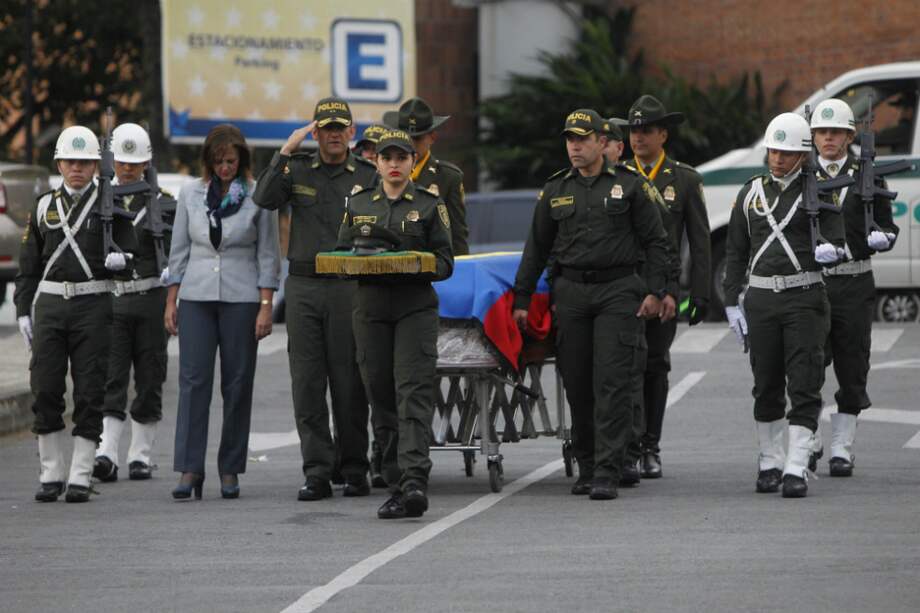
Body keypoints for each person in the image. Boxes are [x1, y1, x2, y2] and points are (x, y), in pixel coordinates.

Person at [512, 109, 671, 501]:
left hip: (618, 290)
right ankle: (585, 463)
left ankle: (608, 468)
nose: (575, 146)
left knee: (612, 382)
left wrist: (655, 290)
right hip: (572, 293)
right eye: (570, 140)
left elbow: (656, 242)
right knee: (578, 382)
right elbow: (537, 248)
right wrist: (522, 298)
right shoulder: (555, 189)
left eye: (583, 139)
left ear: (603, 142)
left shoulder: (629, 186)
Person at [253, 97, 377, 501]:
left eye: (341, 127)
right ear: (316, 133)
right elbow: (264, 198)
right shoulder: (297, 169)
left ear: (352, 132)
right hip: (305, 287)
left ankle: (355, 467)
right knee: (307, 384)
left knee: (349, 384)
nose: (335, 134)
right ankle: (318, 471)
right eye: (327, 128)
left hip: (348, 286)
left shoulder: (368, 175)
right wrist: (285, 150)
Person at [723, 112, 845, 498]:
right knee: (766, 383)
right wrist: (730, 301)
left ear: (803, 155)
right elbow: (735, 252)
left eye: (787, 153)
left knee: (805, 382)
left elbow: (839, 242)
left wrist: (831, 251)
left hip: (804, 296)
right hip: (760, 298)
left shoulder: (821, 193)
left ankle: (796, 465)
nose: (777, 159)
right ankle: (769, 461)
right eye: (774, 151)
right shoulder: (750, 193)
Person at [336, 128, 454, 519]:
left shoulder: (428, 203)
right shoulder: (357, 204)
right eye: (387, 158)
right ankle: (393, 477)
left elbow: (445, 261)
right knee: (381, 396)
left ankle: (413, 481)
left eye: (401, 158)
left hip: (414, 307)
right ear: (376, 161)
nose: (394, 165)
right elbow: (341, 255)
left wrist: (413, 262)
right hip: (370, 309)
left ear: (411, 161)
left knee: (413, 394)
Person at [14, 125, 135, 502]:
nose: (77, 169)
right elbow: (28, 267)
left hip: (93, 305)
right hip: (50, 305)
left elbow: (131, 260)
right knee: (45, 388)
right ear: (60, 165)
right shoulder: (43, 206)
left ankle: (81, 474)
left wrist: (121, 262)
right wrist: (22, 310)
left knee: (89, 390)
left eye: (84, 162)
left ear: (96, 165)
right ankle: (51, 473)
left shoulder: (112, 206)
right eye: (70, 162)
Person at [165, 124, 280, 500]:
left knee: (237, 382)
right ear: (208, 162)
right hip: (197, 295)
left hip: (242, 296)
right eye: (218, 162)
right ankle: (189, 468)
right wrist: (172, 300)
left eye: (231, 161)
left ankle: (229, 468)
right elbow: (178, 250)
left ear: (242, 160)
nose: (224, 168)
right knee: (193, 381)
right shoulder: (190, 194)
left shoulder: (257, 197)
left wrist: (266, 307)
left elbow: (268, 255)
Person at [623, 94, 711, 479]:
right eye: (633, 131)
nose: (638, 138)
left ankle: (649, 445)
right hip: (624, 287)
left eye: (646, 131)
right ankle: (625, 444)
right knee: (624, 367)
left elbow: (699, 240)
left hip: (665, 289)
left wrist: (696, 294)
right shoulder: (618, 174)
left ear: (663, 135)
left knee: (655, 366)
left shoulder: (684, 179)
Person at [810, 98, 899, 477]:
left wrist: (885, 238)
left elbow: (886, 224)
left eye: (836, 133)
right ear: (812, 136)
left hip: (855, 280)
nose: (828, 139)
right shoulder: (802, 174)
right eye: (821, 132)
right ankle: (807, 436)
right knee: (808, 363)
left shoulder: (870, 174)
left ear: (849, 136)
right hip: (814, 283)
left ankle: (842, 447)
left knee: (852, 365)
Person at [93, 122, 174, 483]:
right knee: (111, 377)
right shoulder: (97, 202)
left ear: (146, 163)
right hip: (113, 298)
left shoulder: (165, 203)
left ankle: (140, 454)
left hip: (152, 296)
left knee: (150, 376)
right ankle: (106, 452)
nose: (128, 169)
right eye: (123, 162)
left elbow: (178, 248)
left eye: (135, 162)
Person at [384, 97, 469, 255]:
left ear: (432, 137)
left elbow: (457, 238)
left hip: (431, 272)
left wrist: (457, 277)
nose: (410, 143)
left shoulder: (448, 178)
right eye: (405, 136)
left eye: (417, 138)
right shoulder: (382, 173)